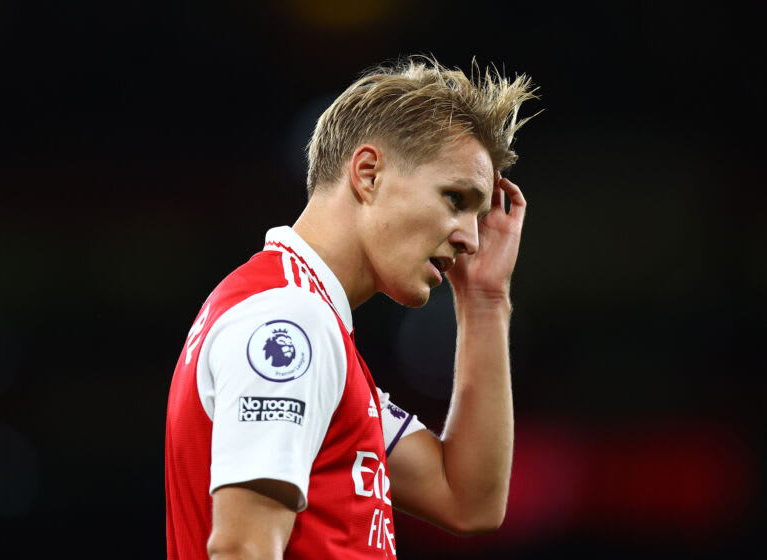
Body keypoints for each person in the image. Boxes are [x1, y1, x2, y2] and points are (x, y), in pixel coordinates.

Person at [165, 55, 538, 559]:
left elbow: (469, 501)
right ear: (368, 174)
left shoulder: (304, 317)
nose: (471, 238)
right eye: (455, 199)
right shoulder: (290, 320)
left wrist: (486, 300)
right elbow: (242, 549)